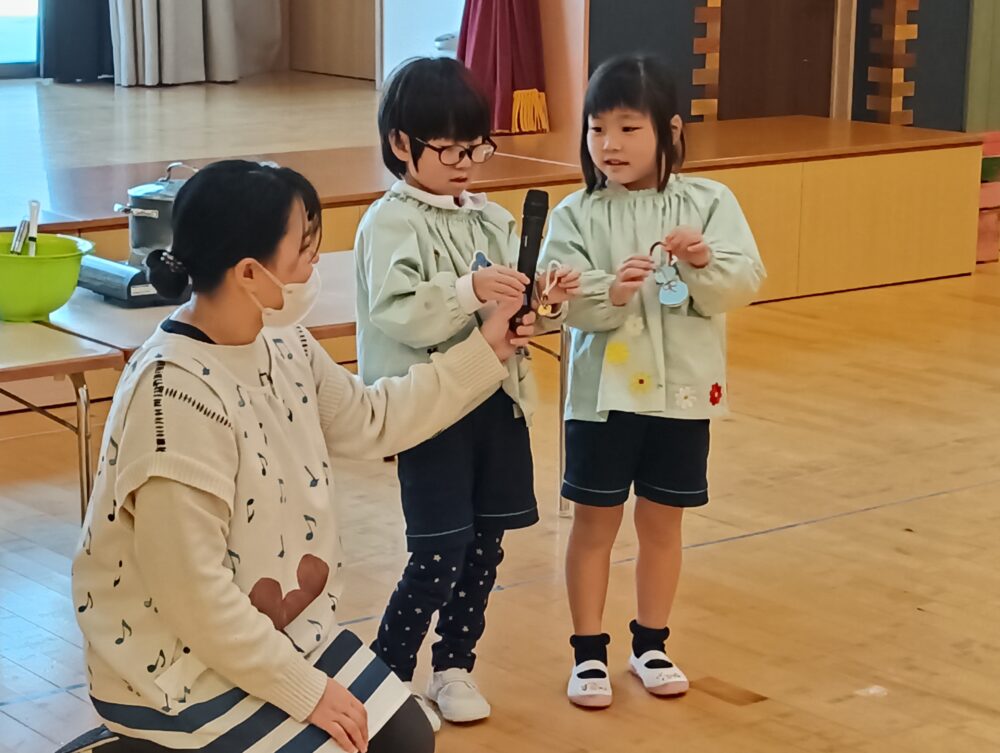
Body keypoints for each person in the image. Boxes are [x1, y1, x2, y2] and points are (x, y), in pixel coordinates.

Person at [71, 160, 535, 752]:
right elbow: (195, 597)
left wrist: (488, 347)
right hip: (171, 668)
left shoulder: (282, 339)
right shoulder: (173, 396)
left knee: (405, 737)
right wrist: (306, 692)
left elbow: (373, 419)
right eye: (304, 249)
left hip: (283, 631)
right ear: (249, 272)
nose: (315, 262)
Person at [354, 57, 579, 728]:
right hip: (431, 412)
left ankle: (453, 665)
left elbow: (520, 314)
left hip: (497, 406)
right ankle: (387, 676)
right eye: (449, 150)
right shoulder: (389, 222)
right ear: (401, 143)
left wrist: (545, 303)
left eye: (475, 148)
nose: (464, 164)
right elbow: (398, 311)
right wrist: (470, 290)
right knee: (437, 551)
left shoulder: (492, 220)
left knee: (485, 548)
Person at [539, 54, 766, 708]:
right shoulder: (576, 213)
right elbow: (557, 299)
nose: (609, 144)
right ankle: (588, 651)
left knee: (663, 524)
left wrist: (701, 261)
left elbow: (744, 282)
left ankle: (651, 644)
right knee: (594, 525)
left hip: (682, 396)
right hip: (603, 401)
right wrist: (607, 291)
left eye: (627, 128)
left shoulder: (711, 202)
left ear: (669, 130)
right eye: (596, 128)